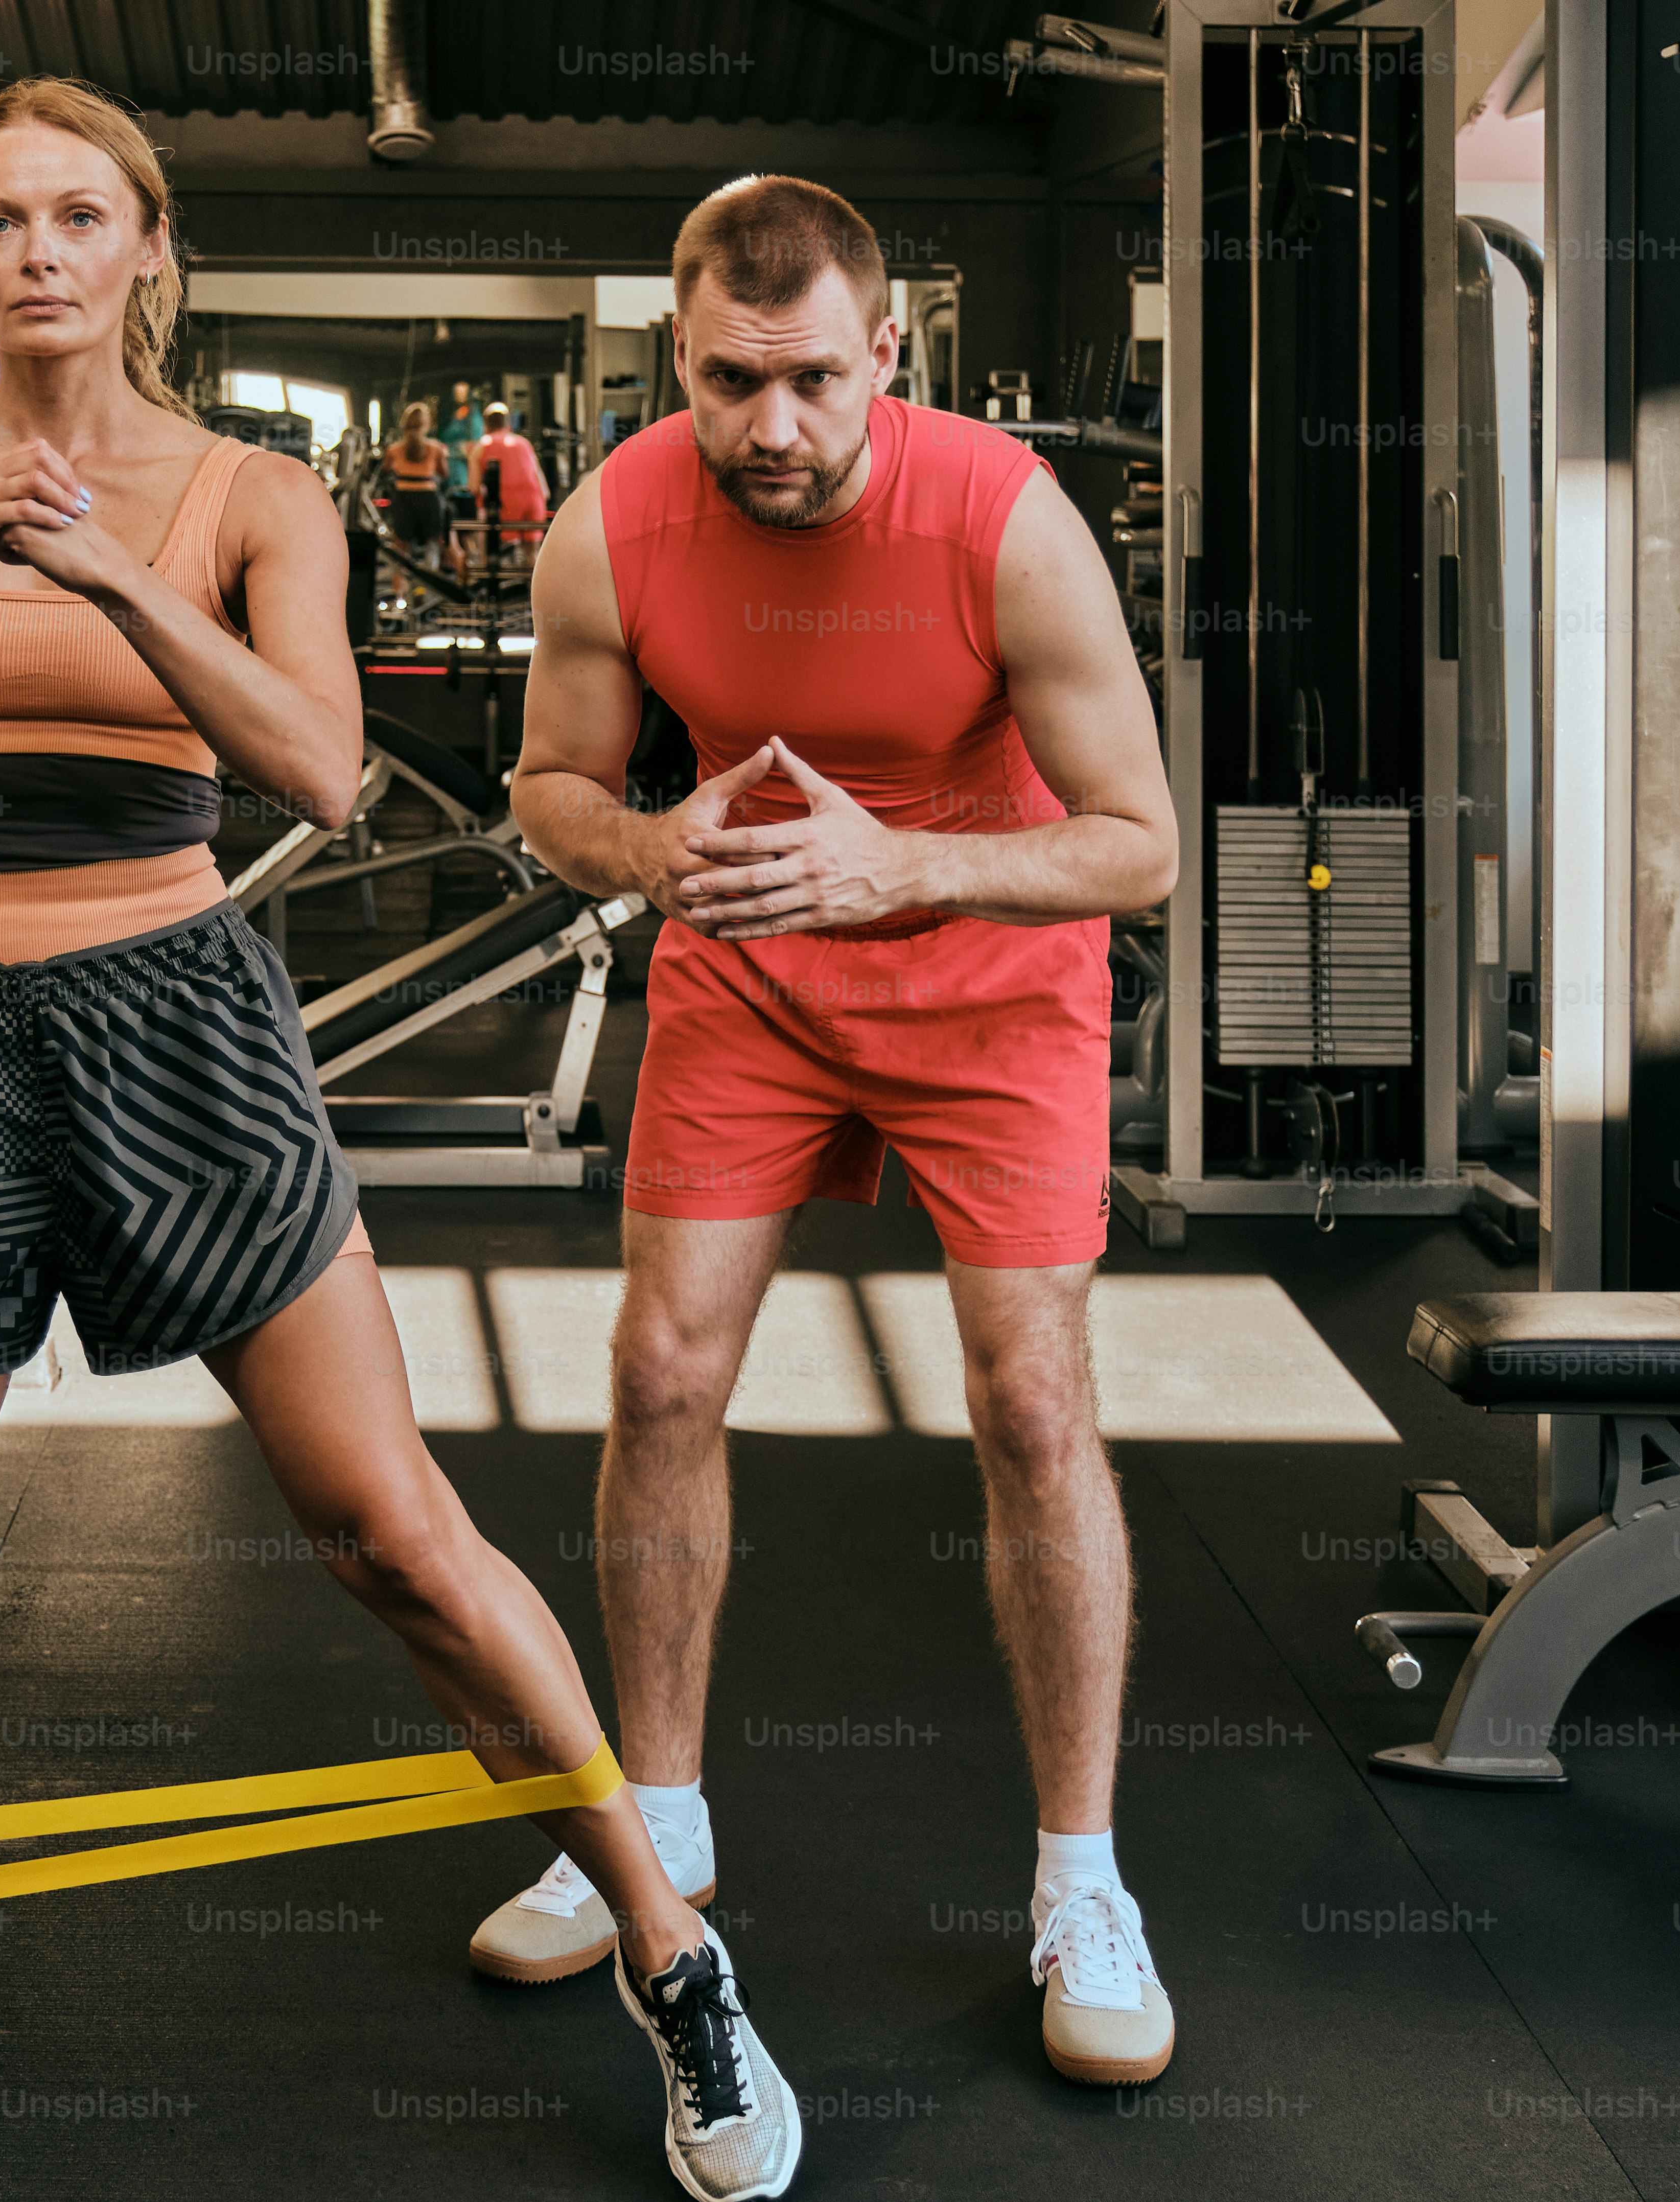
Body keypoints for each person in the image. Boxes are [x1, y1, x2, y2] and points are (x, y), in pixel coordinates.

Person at [0, 77, 802, 2202]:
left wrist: (105, 575)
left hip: (179, 1029)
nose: (38, 252)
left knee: (391, 1535)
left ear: (144, 252)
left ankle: (671, 1946)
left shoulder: (249, 493)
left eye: (77, 217)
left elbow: (321, 764)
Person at [474, 173, 1185, 2084]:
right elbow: (548, 781)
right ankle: (662, 1823)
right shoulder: (614, 523)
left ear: (887, 350)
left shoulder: (1005, 523)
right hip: (750, 964)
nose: (766, 428)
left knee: (1032, 1400)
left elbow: (1143, 845)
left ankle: (1081, 1878)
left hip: (986, 971)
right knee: (657, 1372)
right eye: (725, 381)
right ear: (675, 358)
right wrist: (648, 845)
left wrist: (907, 865)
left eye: (806, 380)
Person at [466, 401, 552, 574]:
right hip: (533, 500)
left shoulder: (483, 445)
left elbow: (474, 487)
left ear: (486, 423)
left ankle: (497, 588)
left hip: (506, 503)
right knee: (532, 554)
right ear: (508, 422)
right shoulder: (524, 443)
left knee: (502, 552)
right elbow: (544, 487)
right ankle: (531, 595)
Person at [379, 399, 452, 574]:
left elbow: (384, 472)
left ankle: (399, 592)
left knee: (401, 548)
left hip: (404, 498)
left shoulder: (394, 450)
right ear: (426, 424)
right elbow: (444, 474)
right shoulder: (435, 448)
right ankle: (463, 585)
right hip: (428, 497)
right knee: (443, 542)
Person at [437, 382, 485, 566]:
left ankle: (470, 561)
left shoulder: (473, 414)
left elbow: (473, 445)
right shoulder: (451, 415)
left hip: (465, 479)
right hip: (451, 477)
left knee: (467, 523)